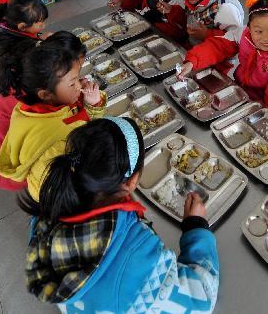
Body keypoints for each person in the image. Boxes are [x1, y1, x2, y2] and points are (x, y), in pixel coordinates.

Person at [20, 117, 218, 312]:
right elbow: (201, 299)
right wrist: (196, 227)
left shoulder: (47, 214)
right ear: (132, 182)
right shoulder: (139, 259)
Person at [0, 33, 106, 200]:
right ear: (45, 94)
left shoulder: (35, 107)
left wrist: (92, 104)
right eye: (72, 82)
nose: (79, 85)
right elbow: (85, 134)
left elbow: (78, 120)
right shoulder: (56, 139)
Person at [177, 0, 268, 105]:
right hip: (241, 86)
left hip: (261, 101)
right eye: (258, 31)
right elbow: (219, 45)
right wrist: (192, 62)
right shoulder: (244, 34)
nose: (265, 38)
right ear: (249, 28)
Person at [0, 0, 50, 104]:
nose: (43, 26)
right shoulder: (4, 45)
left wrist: (38, 38)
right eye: (40, 24)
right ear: (22, 26)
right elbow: (24, 62)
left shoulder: (8, 22)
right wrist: (39, 43)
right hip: (3, 86)